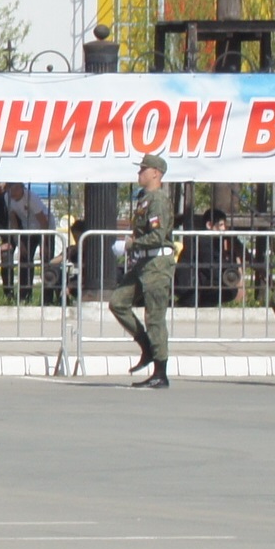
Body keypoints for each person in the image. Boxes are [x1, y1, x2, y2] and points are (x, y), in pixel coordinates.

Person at [106, 153, 177, 387]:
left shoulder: (158, 199)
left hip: (157, 264)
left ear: (156, 173)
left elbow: (158, 236)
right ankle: (147, 345)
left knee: (155, 316)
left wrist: (129, 244)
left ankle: (160, 371)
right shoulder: (145, 199)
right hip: (143, 263)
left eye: (144, 169)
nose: (140, 173)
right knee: (118, 301)